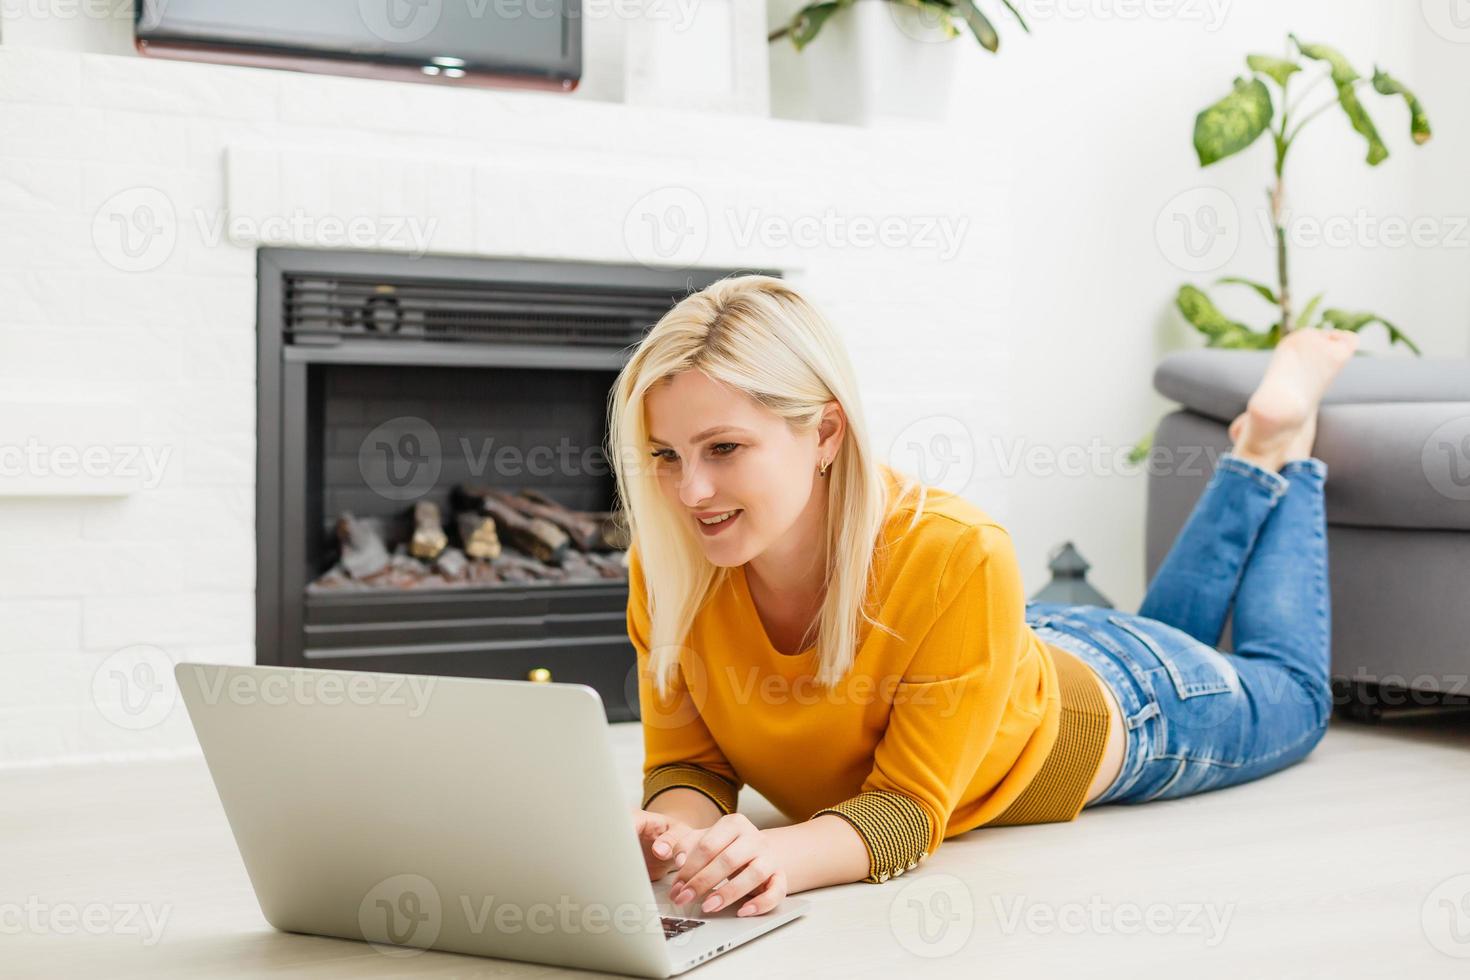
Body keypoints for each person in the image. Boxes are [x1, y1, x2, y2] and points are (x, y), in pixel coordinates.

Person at [607, 274, 1358, 918]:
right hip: (1009, 649)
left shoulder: (959, 551)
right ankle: (1257, 450)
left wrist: (778, 856)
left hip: (1134, 706)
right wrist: (670, 838)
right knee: (1168, 629)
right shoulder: (671, 562)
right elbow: (691, 766)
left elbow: (907, 814)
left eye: (724, 449)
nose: (691, 491)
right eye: (666, 456)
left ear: (826, 432)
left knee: (1293, 691)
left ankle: (1275, 446)